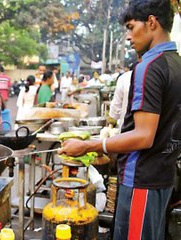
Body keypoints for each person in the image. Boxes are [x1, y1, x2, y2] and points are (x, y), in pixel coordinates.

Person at [59, 1, 181, 239]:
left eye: (130, 27)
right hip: (164, 178)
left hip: (141, 180)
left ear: (152, 22)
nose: (128, 36)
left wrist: (89, 145)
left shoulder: (149, 67)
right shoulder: (176, 63)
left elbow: (144, 136)